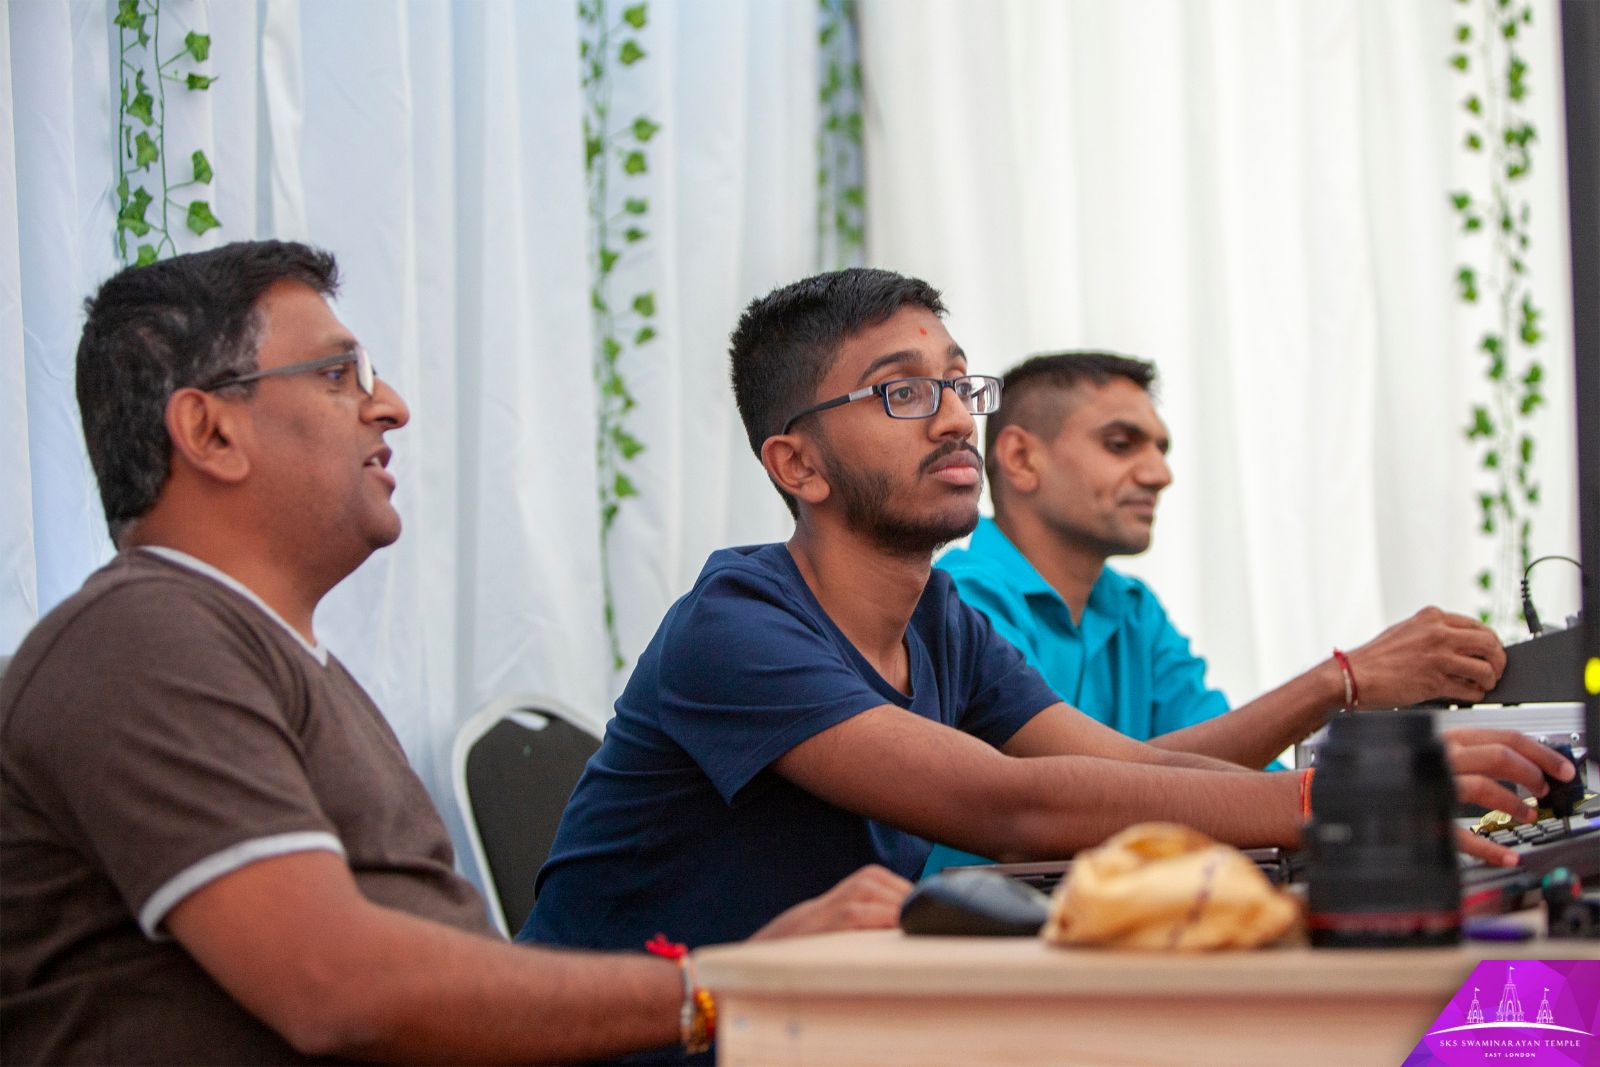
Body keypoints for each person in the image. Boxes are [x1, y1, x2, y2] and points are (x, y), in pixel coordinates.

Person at [0, 241, 910, 1066]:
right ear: (208, 431)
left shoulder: (269, 654)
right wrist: (721, 987)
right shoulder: (141, 640)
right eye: (337, 373)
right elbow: (333, 983)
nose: (388, 405)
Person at [521, 268, 1571, 958]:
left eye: (954, 384)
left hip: (811, 1019)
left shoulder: (937, 619)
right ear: (796, 463)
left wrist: (1375, 779)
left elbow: (1134, 766)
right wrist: (1332, 800)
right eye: (898, 391)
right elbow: (1008, 807)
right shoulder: (733, 624)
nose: (949, 416)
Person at [938, 352, 1509, 767]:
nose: (1160, 474)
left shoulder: (1133, 610)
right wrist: (1340, 681)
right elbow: (1081, 790)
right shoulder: (962, 600)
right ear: (1019, 457)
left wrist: (1408, 776)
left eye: (1161, 449)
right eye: (1121, 444)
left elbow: (1232, 771)